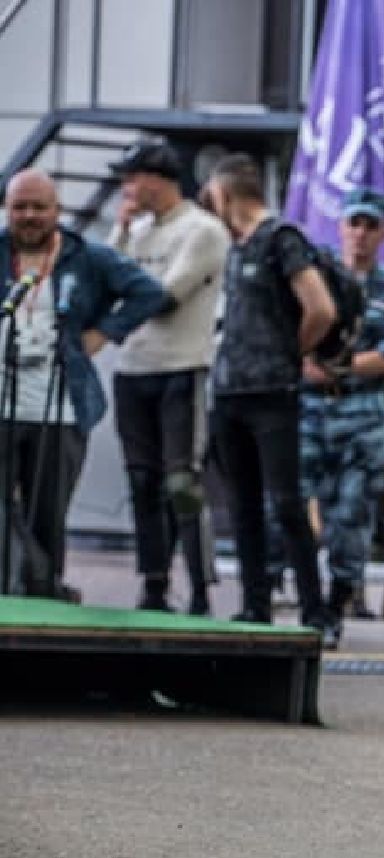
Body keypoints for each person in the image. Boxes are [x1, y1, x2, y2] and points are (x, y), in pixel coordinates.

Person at [0, 169, 165, 600]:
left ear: (57, 210)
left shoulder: (86, 256)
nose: (30, 216)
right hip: (2, 398)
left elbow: (149, 293)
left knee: (48, 513)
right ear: (6, 209)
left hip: (61, 405)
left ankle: (41, 592)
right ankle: (28, 584)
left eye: (40, 207)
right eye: (20, 207)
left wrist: (104, 332)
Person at [203, 154, 337, 633]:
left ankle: (313, 609)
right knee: (242, 504)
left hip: (271, 391)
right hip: (230, 391)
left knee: (285, 502)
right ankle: (254, 603)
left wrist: (289, 352)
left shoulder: (281, 238)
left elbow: (319, 308)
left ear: (225, 193)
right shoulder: (237, 246)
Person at [107, 142, 231, 615]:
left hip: (182, 364)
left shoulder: (201, 230)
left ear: (157, 179)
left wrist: (118, 309)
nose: (128, 189)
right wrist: (120, 231)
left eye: (133, 178)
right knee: (141, 480)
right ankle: (153, 581)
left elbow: (164, 294)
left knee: (181, 481)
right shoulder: (137, 232)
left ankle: (200, 584)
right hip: (133, 368)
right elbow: (105, 280)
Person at [298, 187, 384, 645]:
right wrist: (306, 365)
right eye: (354, 224)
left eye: (370, 226)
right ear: (341, 227)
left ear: (383, 233)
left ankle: (335, 604)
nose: (361, 234)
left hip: (361, 413)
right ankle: (290, 597)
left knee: (351, 514)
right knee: (289, 508)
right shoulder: (316, 275)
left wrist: (333, 368)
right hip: (308, 410)